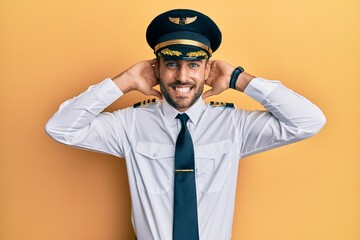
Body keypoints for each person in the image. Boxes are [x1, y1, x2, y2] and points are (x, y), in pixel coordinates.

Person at [45, 9, 326, 240]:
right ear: (155, 69)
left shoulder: (234, 125)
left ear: (207, 69)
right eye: (171, 64)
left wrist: (240, 79)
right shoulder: (129, 125)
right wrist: (124, 81)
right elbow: (61, 128)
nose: (182, 77)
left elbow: (309, 121)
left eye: (193, 65)